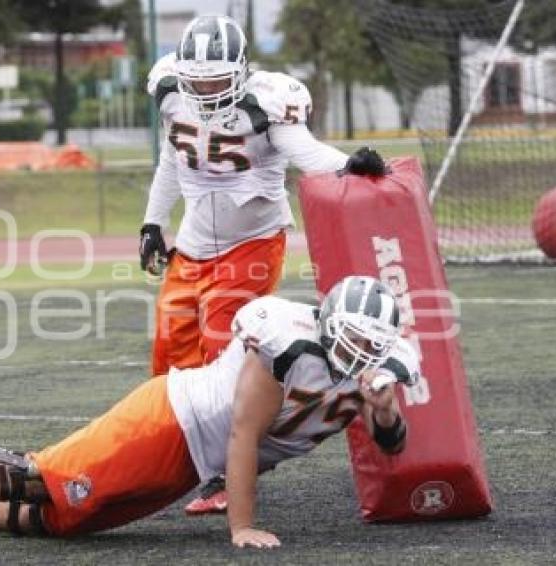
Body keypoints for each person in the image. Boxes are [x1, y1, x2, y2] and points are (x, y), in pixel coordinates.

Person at [0, 276, 419, 549]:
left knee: (68, 518)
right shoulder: (287, 343)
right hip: (172, 420)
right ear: (326, 322)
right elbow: (244, 436)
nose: (354, 355)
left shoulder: (375, 372)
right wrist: (242, 526)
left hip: (190, 460)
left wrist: (385, 409)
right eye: (347, 340)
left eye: (366, 347)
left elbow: (390, 445)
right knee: (48, 474)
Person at [137, 14, 387, 514]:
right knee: (170, 348)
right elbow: (171, 160)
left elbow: (304, 152)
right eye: (198, 79)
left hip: (252, 239)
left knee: (221, 343)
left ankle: (227, 474)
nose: (206, 89)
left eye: (216, 79)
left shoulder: (265, 103)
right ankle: (173, 451)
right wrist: (152, 223)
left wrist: (346, 165)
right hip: (192, 242)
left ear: (241, 71)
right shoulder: (170, 92)